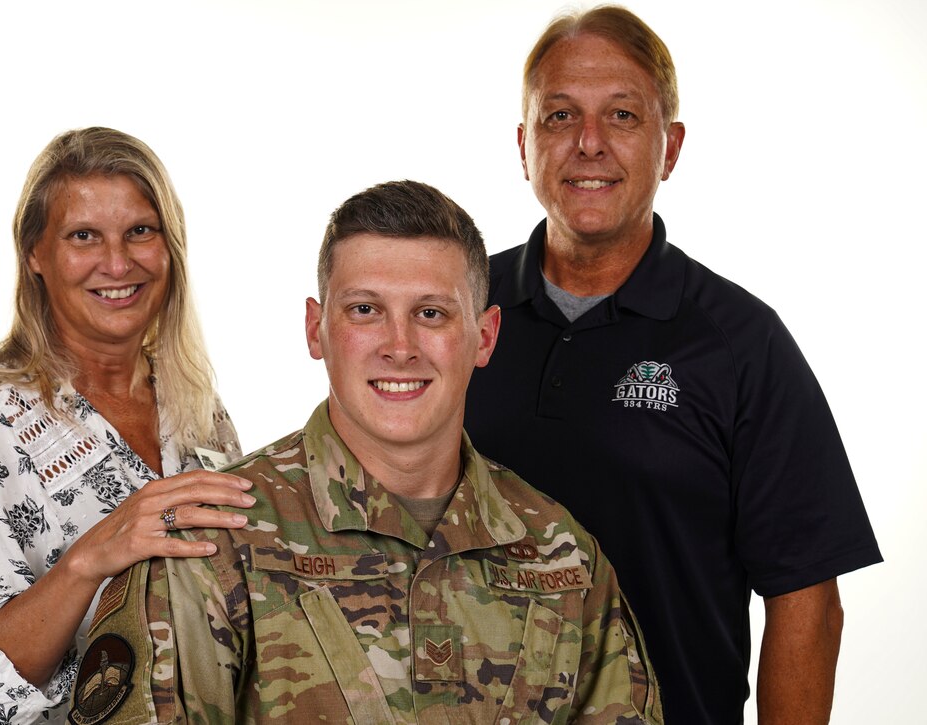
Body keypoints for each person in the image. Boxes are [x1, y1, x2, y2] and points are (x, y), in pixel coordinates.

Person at [71, 180, 663, 724]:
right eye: (365, 311)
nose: (399, 347)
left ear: (484, 337)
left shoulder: (562, 556)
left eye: (430, 313)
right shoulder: (214, 540)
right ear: (316, 328)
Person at [464, 7, 882, 724]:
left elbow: (806, 597)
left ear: (671, 147)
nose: (588, 144)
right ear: (524, 146)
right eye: (560, 117)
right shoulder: (454, 310)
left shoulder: (741, 343)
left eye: (622, 115)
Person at [0, 127, 254, 725]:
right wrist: (89, 557)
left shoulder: (195, 408)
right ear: (35, 256)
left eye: (140, 232)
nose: (118, 263)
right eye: (83, 236)